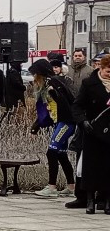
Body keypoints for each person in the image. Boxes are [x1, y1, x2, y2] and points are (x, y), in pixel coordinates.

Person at [28, 59, 76, 199]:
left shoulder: (52, 83)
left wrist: (54, 94)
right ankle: (71, 186)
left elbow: (66, 101)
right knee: (61, 153)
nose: (33, 78)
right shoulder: (47, 85)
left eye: (35, 74)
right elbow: (45, 111)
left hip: (66, 122)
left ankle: (51, 187)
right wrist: (35, 128)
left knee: (52, 152)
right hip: (59, 122)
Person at [73, 54, 110, 214]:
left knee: (108, 168)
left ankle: (108, 201)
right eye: (108, 71)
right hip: (92, 131)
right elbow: (77, 106)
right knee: (91, 167)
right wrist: (83, 121)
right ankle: (90, 200)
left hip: (109, 133)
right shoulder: (89, 84)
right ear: (101, 68)